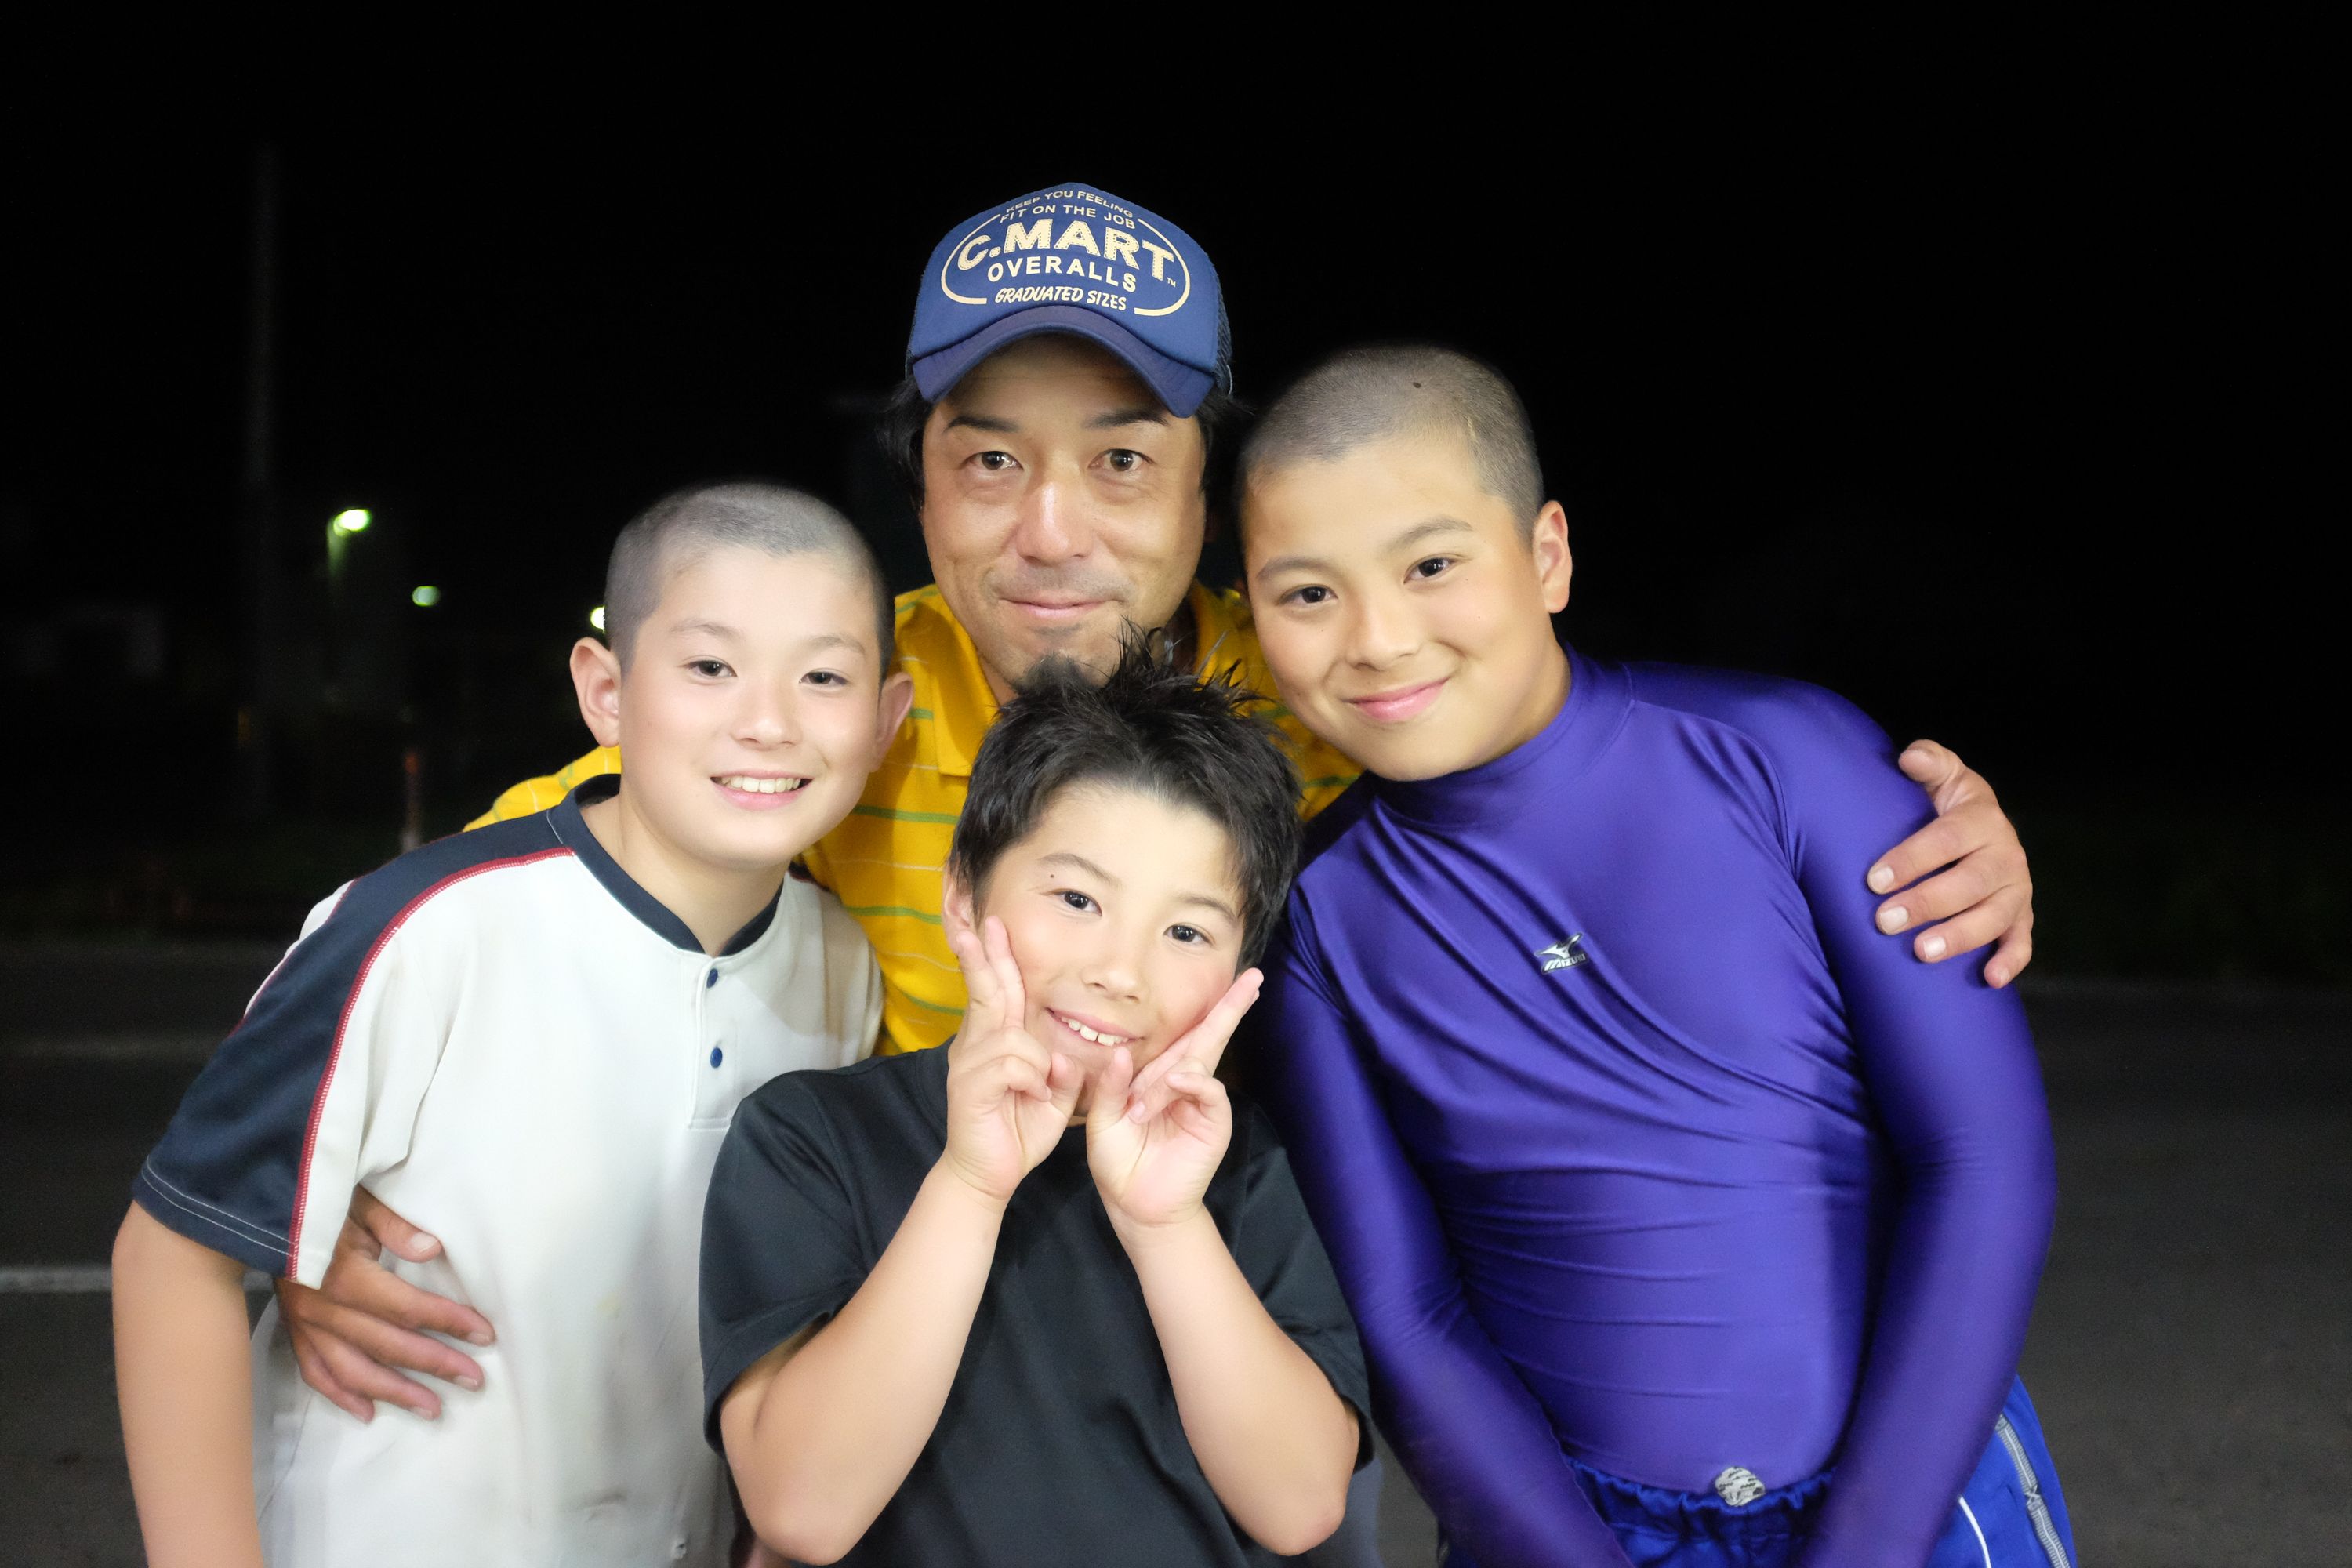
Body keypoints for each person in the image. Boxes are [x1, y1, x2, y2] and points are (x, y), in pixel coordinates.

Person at [273, 186, 2041, 1560]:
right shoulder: (829, 705)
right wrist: (327, 1167)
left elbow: (1562, 731)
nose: (1053, 529)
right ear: (922, 484)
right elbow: (482, 900)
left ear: (1215, 501)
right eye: (989, 463)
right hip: (904, 1390)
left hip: (1239, 1359)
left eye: (1123, 461)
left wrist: (1929, 815)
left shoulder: (1323, 688)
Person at [1238, 346, 2075, 1567]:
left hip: (1921, 1499)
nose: (1376, 638)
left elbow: (1985, 1158)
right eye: (1306, 593)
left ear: (1547, 555)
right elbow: (1408, 1314)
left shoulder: (1791, 762)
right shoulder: (1315, 914)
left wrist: (1870, 1546)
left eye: (1431, 565)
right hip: (1566, 1527)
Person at [110, 484, 911, 1567]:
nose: (767, 719)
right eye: (710, 667)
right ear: (608, 692)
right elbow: (173, 1252)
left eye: (823, 676)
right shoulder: (427, 927)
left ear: (886, 720)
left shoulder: (842, 968)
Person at [702, 644, 1367, 1565]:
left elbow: (1298, 1506)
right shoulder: (812, 1137)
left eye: (1185, 930)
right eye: (1076, 896)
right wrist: (971, 1184)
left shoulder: (1240, 1168)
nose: (1119, 969)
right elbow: (803, 1511)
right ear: (965, 899)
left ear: (1237, 974)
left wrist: (1167, 1223)